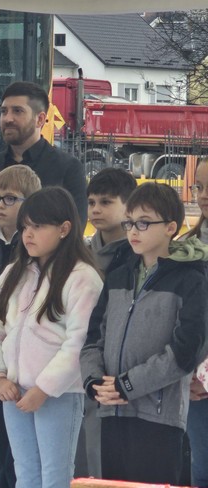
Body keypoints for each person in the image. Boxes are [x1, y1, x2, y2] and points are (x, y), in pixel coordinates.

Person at [81, 182, 208, 485]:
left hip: (159, 417)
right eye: (129, 222)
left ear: (170, 228)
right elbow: (93, 338)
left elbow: (185, 352)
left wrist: (127, 385)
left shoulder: (191, 279)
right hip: (112, 411)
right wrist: (94, 382)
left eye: (144, 223)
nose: (133, 231)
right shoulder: (118, 275)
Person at [0, 187, 102, 488]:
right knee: (26, 475)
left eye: (37, 226)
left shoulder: (83, 277)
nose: (28, 234)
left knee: (55, 477)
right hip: (13, 391)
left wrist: (44, 388)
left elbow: (79, 342)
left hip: (59, 395)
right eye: (24, 227)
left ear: (64, 229)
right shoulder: (14, 272)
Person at [0, 165, 41, 488]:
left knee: (23, 454)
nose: (0, 205)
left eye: (10, 198)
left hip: (25, 365)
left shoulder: (36, 251)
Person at [0, 81, 87, 249]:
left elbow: (74, 231)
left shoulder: (67, 168)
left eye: (17, 111)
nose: (8, 119)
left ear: (40, 119)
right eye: (4, 111)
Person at [74, 166, 136, 479]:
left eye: (106, 202)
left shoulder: (138, 255)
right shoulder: (79, 252)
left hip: (120, 364)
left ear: (129, 206)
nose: (96, 209)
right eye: (91, 202)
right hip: (80, 360)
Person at [184, 158, 208, 488]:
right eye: (199, 186)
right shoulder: (184, 247)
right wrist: (185, 373)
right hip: (192, 384)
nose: (203, 195)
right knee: (201, 471)